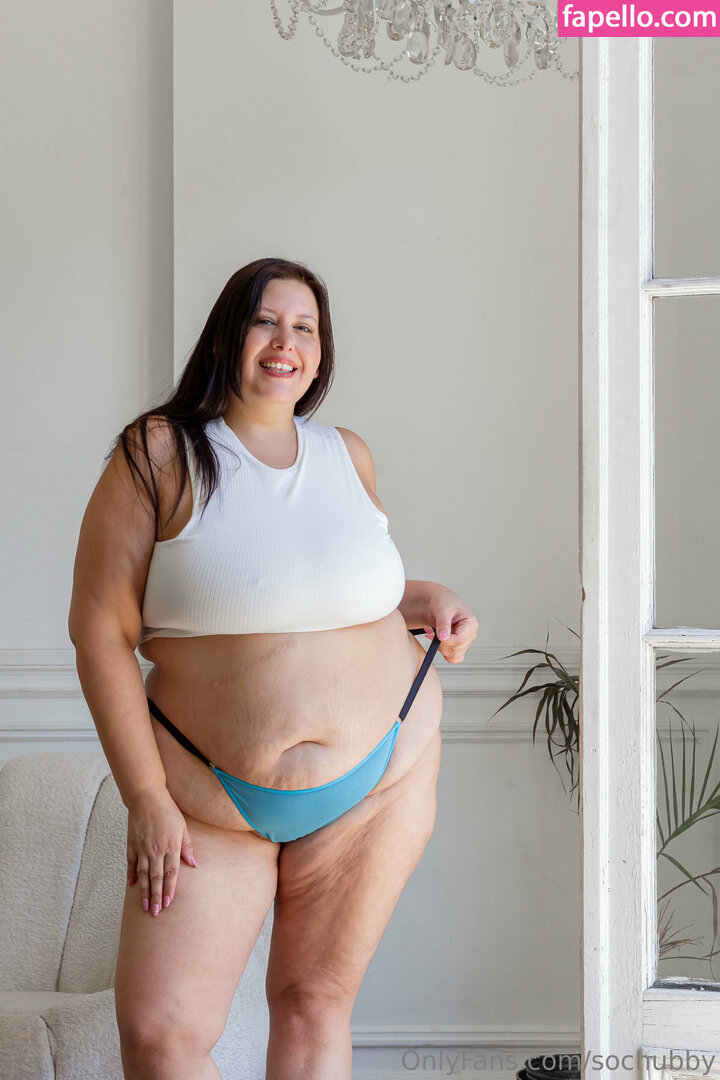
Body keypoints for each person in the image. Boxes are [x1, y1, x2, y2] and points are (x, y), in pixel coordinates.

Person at [68, 256, 478, 1080]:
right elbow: (100, 633)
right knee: (161, 1035)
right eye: (265, 320)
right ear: (228, 334)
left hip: (381, 778)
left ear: (321, 353)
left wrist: (422, 597)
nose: (285, 342)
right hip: (207, 795)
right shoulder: (158, 453)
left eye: (304, 327)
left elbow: (326, 587)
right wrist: (146, 798)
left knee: (315, 1005)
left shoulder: (347, 455)